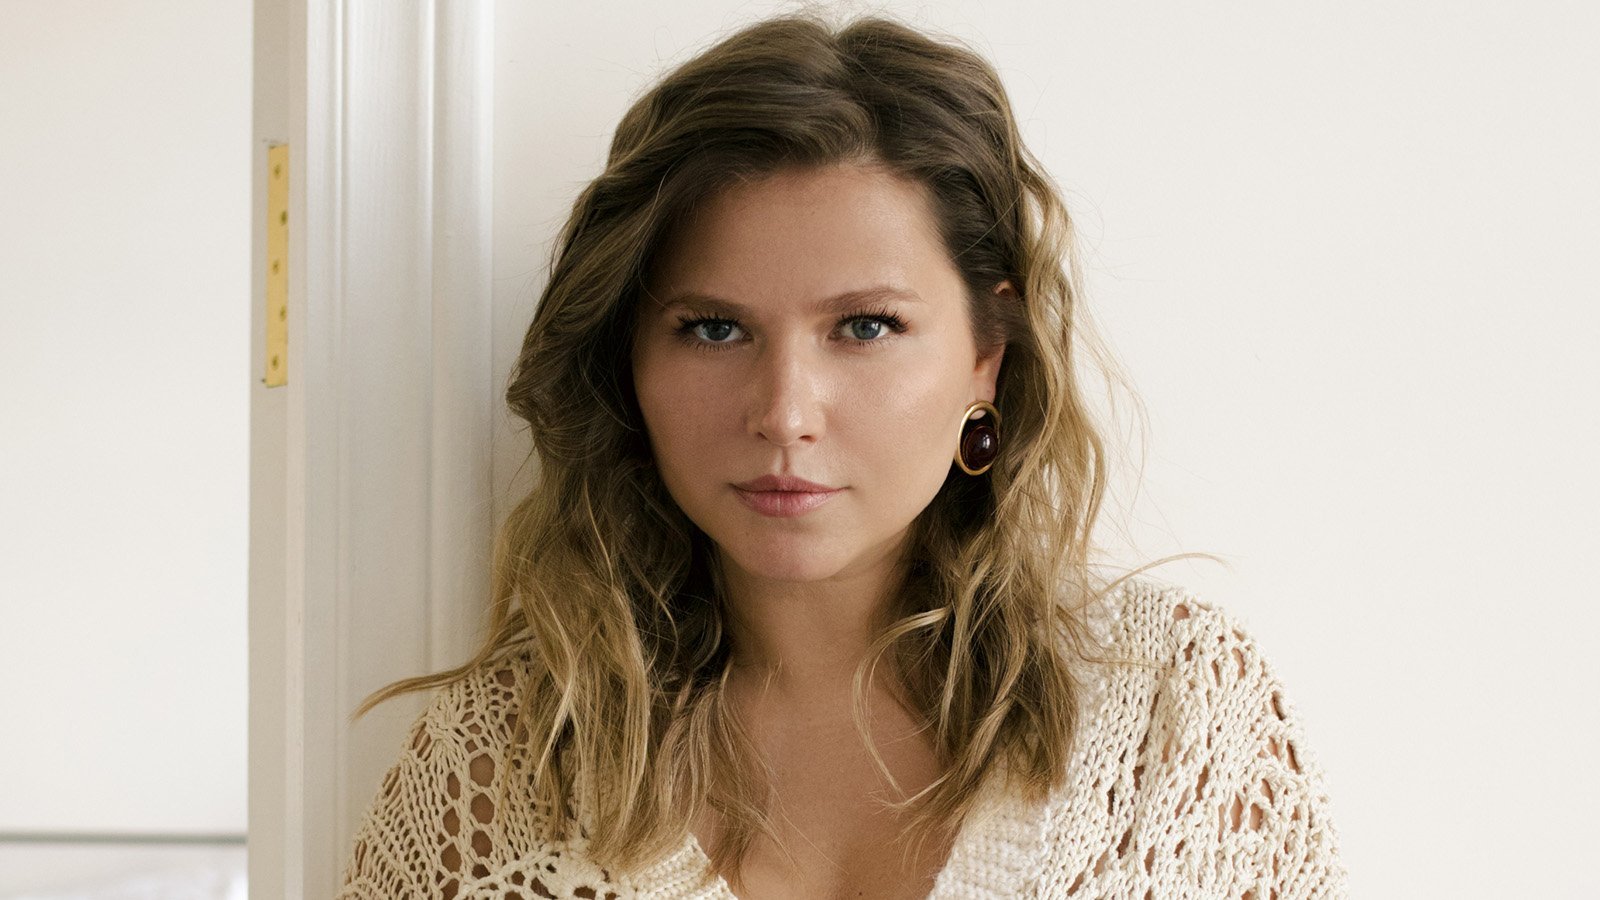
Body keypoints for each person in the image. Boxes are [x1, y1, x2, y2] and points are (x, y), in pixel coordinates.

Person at [336, 12, 1348, 899]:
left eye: (865, 327)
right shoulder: (496, 768)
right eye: (714, 329)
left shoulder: (1171, 714)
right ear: (628, 360)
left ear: (987, 354)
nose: (785, 414)